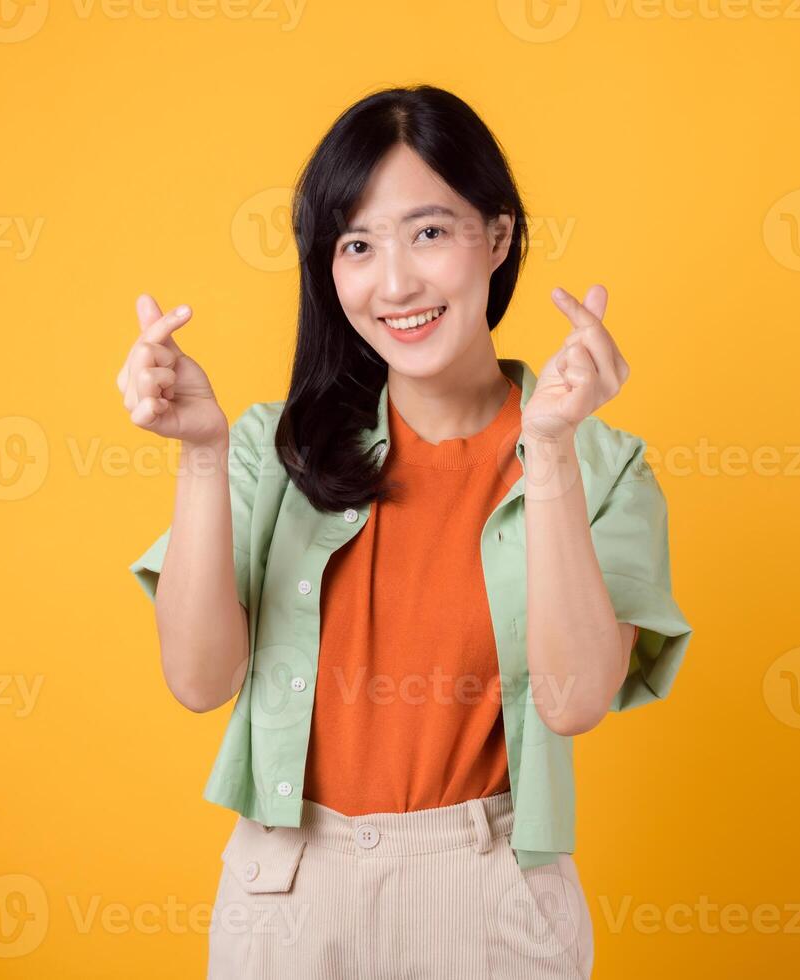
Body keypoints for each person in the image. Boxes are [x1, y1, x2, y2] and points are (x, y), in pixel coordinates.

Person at [118, 84, 693, 979]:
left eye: (429, 232)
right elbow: (198, 681)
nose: (395, 284)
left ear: (497, 238)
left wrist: (547, 451)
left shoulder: (603, 466)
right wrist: (200, 453)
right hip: (288, 893)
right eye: (357, 244)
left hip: (491, 895)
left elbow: (576, 701)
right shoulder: (272, 452)